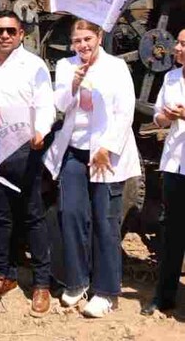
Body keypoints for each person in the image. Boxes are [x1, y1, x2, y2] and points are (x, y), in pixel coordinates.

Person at [44, 19, 141, 318]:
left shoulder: (115, 67)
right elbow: (58, 104)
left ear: (99, 37)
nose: (83, 45)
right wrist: (73, 82)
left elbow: (126, 110)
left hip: (106, 154)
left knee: (105, 219)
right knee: (71, 214)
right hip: (74, 150)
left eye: (88, 38)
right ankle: (76, 281)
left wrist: (107, 148)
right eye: (77, 40)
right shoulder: (65, 66)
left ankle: (106, 291)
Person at [0, 10, 55, 318]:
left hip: (24, 149)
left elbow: (46, 103)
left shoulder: (33, 65)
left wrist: (41, 130)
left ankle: (41, 283)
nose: (4, 36)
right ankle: (4, 274)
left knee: (32, 214)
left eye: (10, 31)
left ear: (21, 34)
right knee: (1, 216)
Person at [141, 28, 185, 316]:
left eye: (182, 44)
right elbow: (156, 115)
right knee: (171, 230)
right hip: (175, 163)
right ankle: (164, 295)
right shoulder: (170, 77)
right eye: (179, 43)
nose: (176, 48)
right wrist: (165, 116)